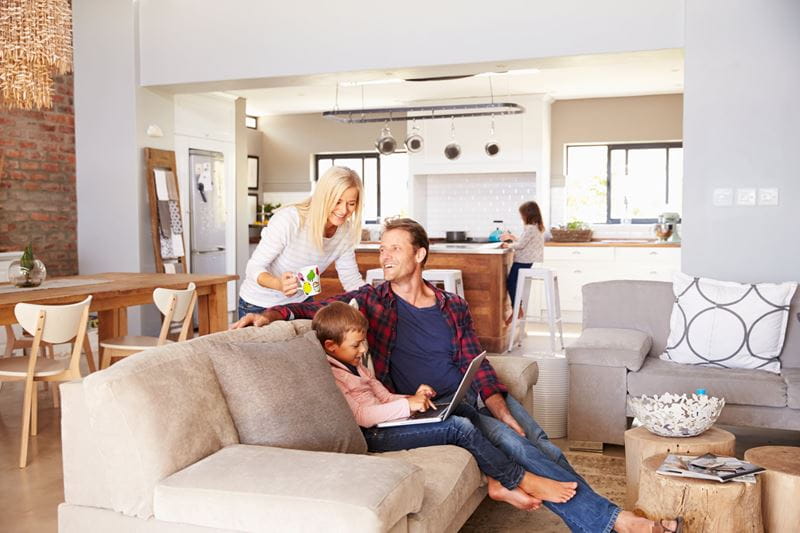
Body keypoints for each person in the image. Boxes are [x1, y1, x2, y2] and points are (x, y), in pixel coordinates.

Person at [233, 218, 682, 533]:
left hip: (462, 395)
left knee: (536, 440)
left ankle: (610, 522)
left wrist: (501, 408)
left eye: (393, 248)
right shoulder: (373, 300)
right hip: (428, 406)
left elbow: (477, 363)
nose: (383, 255)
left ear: (419, 254)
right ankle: (620, 522)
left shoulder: (453, 306)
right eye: (382, 247)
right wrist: (271, 312)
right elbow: (320, 308)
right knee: (513, 445)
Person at [312, 301, 578, 511]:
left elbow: (382, 398)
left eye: (364, 342)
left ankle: (495, 481)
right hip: (374, 434)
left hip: (389, 422)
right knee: (458, 428)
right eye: (356, 345)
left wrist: (411, 399)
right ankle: (516, 479)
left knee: (460, 408)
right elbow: (362, 416)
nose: (363, 349)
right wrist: (408, 408)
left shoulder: (355, 364)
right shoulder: (333, 374)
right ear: (331, 346)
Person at [237, 166, 366, 319]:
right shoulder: (290, 220)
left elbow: (351, 279)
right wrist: (278, 284)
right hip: (260, 304)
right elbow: (253, 268)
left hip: (301, 303)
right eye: (337, 202)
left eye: (351, 203)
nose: (343, 210)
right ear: (323, 197)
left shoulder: (345, 231)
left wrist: (374, 298)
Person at [501, 200, 545, 325]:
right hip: (528, 260)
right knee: (514, 283)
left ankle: (517, 309)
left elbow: (520, 246)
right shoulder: (536, 227)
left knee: (511, 283)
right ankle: (517, 309)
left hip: (522, 260)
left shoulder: (530, 228)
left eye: (522, 214)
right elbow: (524, 242)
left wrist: (507, 245)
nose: (521, 216)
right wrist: (512, 238)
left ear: (527, 214)